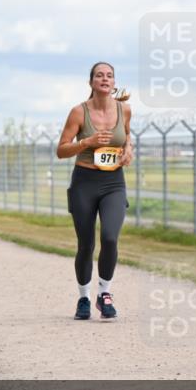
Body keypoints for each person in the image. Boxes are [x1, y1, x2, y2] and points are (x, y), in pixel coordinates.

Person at [56, 62, 134, 320]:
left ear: (114, 83)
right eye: (99, 75)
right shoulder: (79, 113)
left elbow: (127, 137)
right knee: (86, 244)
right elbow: (61, 150)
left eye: (109, 75)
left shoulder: (125, 110)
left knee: (110, 237)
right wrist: (86, 142)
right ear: (91, 82)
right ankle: (83, 298)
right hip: (84, 182)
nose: (105, 79)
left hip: (114, 182)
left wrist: (128, 151)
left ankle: (105, 294)